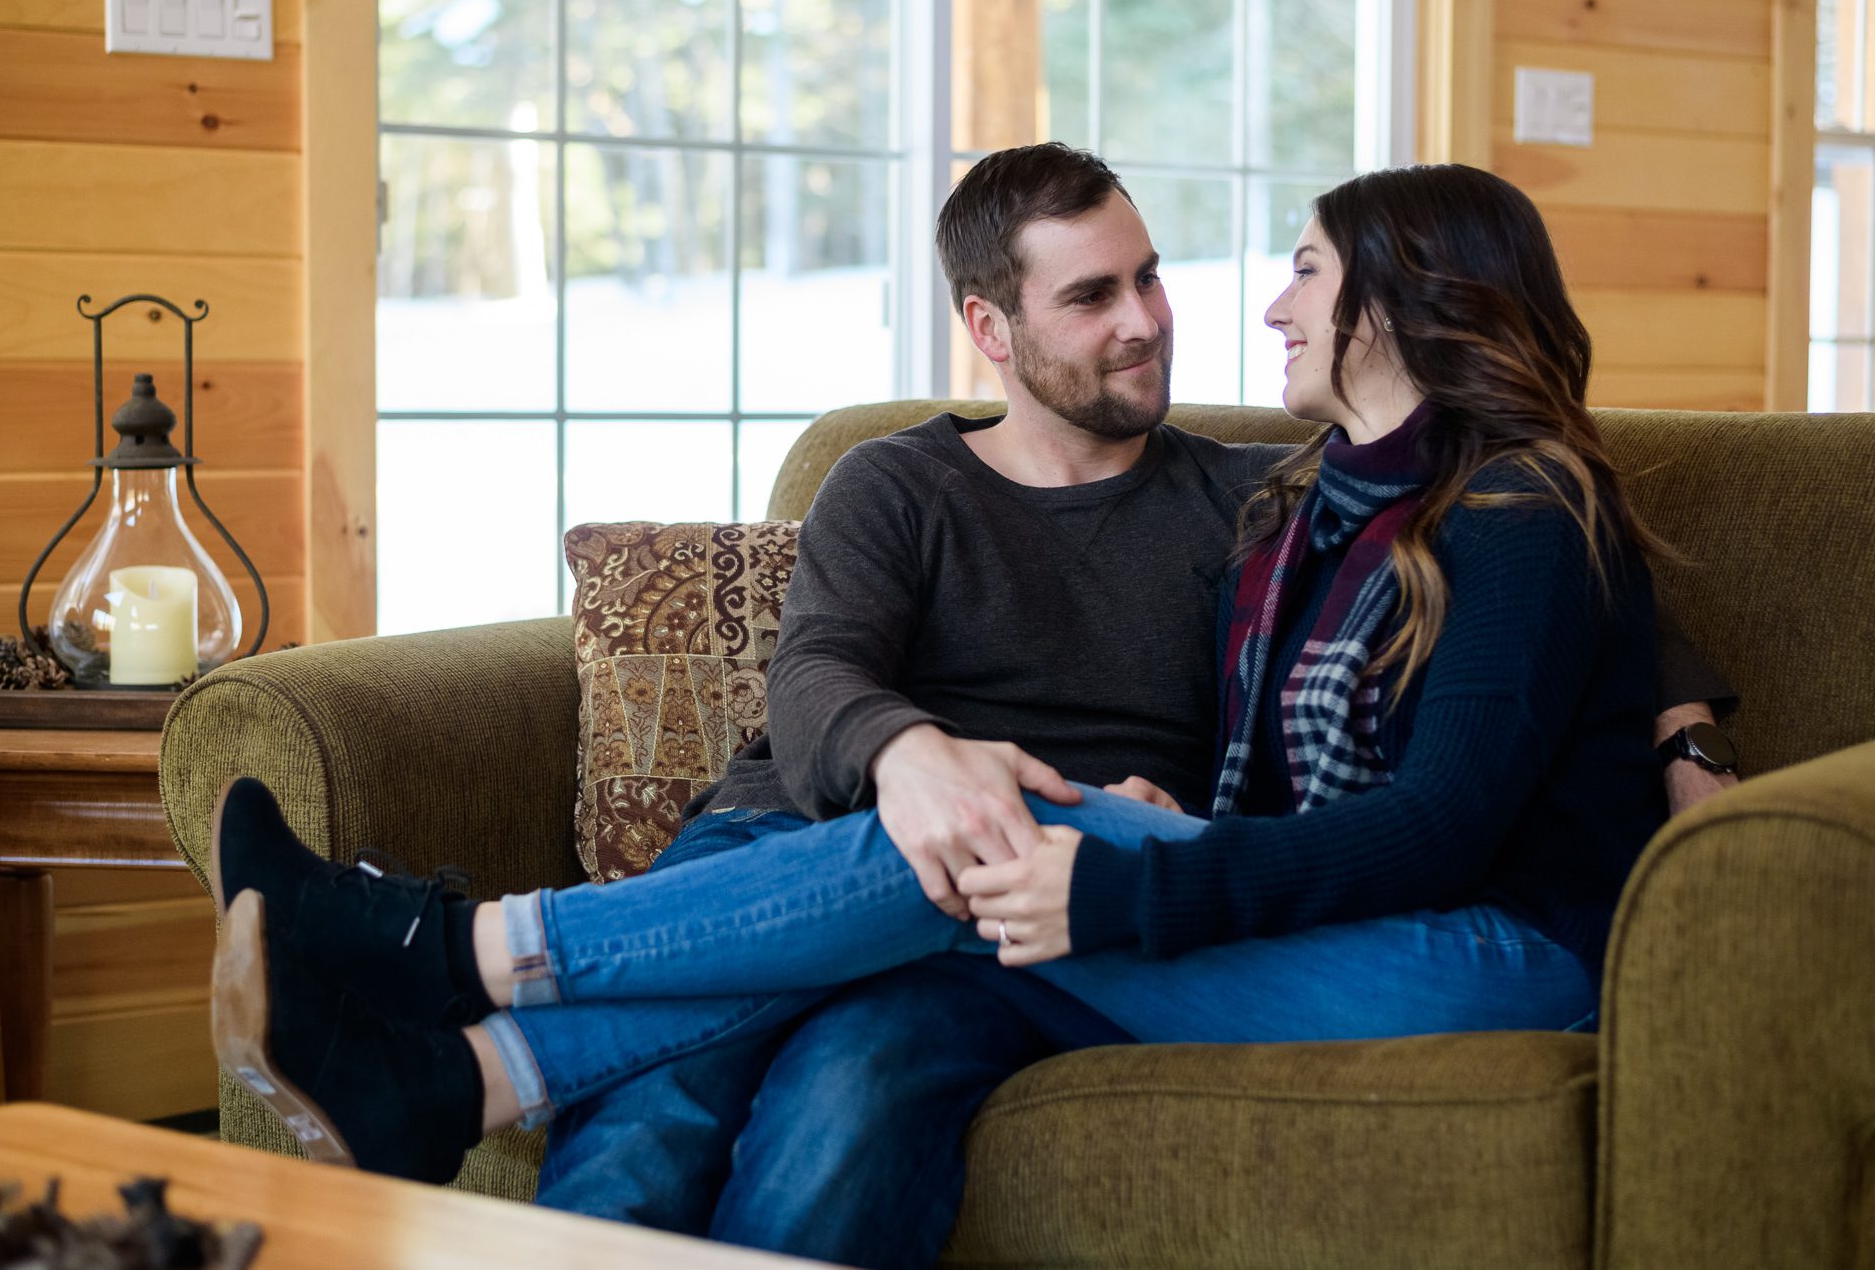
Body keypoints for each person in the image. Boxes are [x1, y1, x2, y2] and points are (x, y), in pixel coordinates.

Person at [208, 152, 1736, 1266]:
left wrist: (1678, 739)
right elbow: (811, 687)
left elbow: (1539, 605)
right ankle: (460, 1047)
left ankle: (448, 981)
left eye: (1162, 276)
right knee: (692, 1093)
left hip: (1240, 906)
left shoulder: (1287, 499)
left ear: (1400, 306)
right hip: (806, 831)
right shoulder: (950, 485)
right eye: (1096, 295)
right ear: (992, 328)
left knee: (929, 942)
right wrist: (919, 755)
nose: (1173, 315)